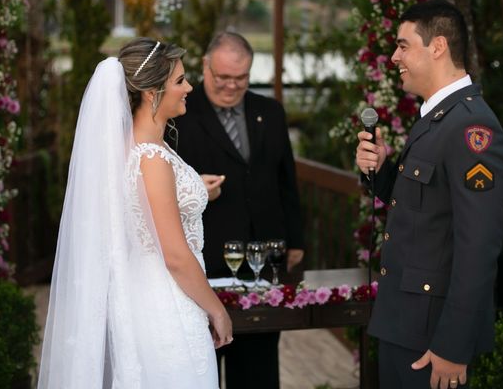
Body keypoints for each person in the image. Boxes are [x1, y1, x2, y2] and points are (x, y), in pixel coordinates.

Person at [38, 38, 232, 389]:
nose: (189, 87)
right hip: (169, 304)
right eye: (179, 81)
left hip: (144, 295)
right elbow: (174, 255)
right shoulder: (152, 159)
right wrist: (217, 309)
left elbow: (143, 209)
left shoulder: (132, 150)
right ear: (150, 92)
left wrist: (195, 189)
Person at [355, 0, 503, 389]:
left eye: (403, 45)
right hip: (405, 324)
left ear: (438, 46)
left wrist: (453, 346)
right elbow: (422, 209)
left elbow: (478, 247)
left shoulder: (471, 129)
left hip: (433, 339)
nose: (394, 57)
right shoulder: (437, 118)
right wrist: (381, 170)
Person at [170, 31, 304, 389]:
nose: (231, 86)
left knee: (259, 369)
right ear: (205, 67)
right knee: (204, 366)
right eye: (222, 77)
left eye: (240, 78)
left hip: (264, 262)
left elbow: (286, 180)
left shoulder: (270, 111)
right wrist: (193, 184)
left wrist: (295, 241)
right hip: (205, 261)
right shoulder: (179, 112)